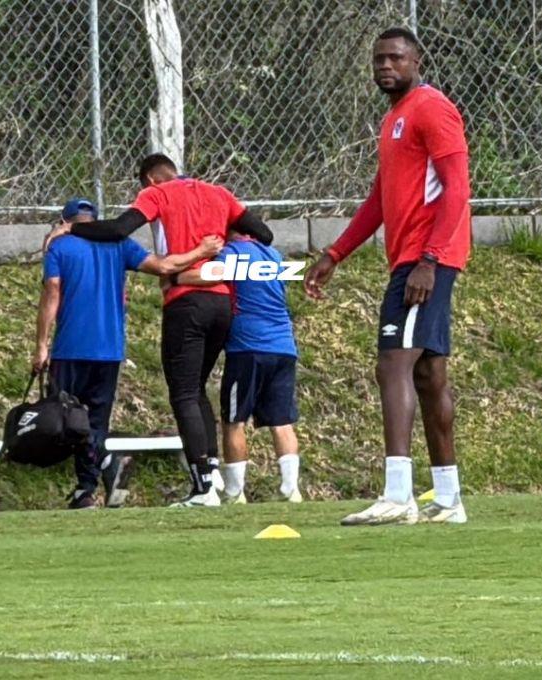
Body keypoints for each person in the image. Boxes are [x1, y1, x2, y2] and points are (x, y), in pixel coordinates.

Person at [304, 27, 472, 525]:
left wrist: (431, 258)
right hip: (412, 257)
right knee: (428, 372)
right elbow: (380, 199)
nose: (385, 65)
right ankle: (448, 499)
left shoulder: (431, 108)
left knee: (392, 364)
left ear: (416, 63)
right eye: (379, 58)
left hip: (426, 260)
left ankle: (398, 494)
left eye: (396, 58)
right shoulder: (393, 118)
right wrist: (336, 252)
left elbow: (458, 188)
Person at [62, 154, 274, 507]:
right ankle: (213, 475)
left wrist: (76, 228)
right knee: (197, 391)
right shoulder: (219, 194)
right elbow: (264, 234)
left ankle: (203, 487)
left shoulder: (158, 194)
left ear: (150, 179)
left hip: (186, 302)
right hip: (222, 304)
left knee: (183, 394)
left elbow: (117, 229)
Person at [34, 198, 224, 509]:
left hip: (70, 347)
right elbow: (164, 266)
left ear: (66, 221)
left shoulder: (60, 247)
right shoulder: (120, 245)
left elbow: (52, 289)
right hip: (109, 350)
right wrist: (201, 252)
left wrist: (41, 344)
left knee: (64, 418)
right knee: (95, 419)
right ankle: (88, 486)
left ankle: (101, 467)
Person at [174, 232, 302, 504]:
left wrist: (174, 277)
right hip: (283, 346)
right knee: (282, 422)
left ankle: (234, 491)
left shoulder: (232, 253)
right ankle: (291, 489)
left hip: (248, 347)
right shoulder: (273, 254)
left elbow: (210, 275)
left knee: (234, 421)